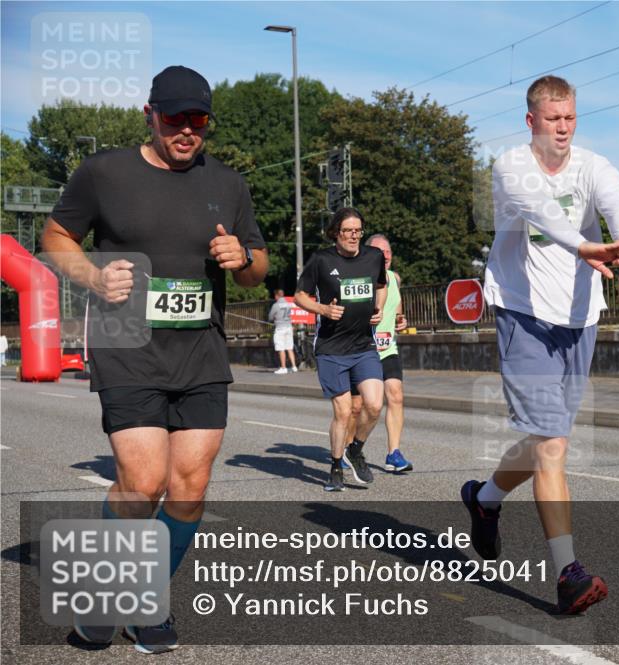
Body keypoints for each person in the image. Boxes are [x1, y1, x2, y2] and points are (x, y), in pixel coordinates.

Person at [40, 65, 268, 653]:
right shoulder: (104, 173)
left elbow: (258, 271)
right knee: (142, 483)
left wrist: (241, 256)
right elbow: (56, 237)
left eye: (198, 121)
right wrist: (91, 275)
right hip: (127, 346)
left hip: (200, 350)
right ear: (150, 114)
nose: (188, 131)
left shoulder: (230, 183)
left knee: (189, 487)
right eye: (175, 120)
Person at [461, 75, 619, 615]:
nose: (562, 128)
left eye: (569, 118)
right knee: (552, 445)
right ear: (531, 121)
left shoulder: (595, 166)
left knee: (549, 438)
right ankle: (568, 572)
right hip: (523, 311)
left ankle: (485, 499)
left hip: (580, 316)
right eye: (552, 119)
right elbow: (545, 215)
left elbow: (617, 205)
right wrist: (587, 246)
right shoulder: (509, 167)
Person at [294, 207, 386, 492]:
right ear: (336, 232)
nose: (354, 236)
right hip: (332, 348)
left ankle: (355, 450)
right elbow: (299, 296)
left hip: (363, 344)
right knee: (344, 412)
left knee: (373, 404)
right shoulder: (321, 260)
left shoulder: (374, 257)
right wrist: (322, 309)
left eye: (358, 230)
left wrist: (379, 309)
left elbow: (381, 285)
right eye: (348, 231)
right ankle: (335, 467)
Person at [345, 234, 412, 472]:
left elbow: (397, 309)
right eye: (378, 252)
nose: (384, 256)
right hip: (361, 350)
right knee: (357, 406)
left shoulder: (394, 278)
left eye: (388, 252)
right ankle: (347, 449)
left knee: (396, 395)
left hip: (386, 348)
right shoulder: (358, 280)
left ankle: (393, 453)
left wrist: (400, 320)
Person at [268, 288, 297, 374]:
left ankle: (283, 367)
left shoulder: (276, 305)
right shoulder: (288, 304)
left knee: (281, 348)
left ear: (277, 296)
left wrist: (274, 319)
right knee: (289, 347)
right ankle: (294, 366)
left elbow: (270, 317)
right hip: (288, 327)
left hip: (280, 328)